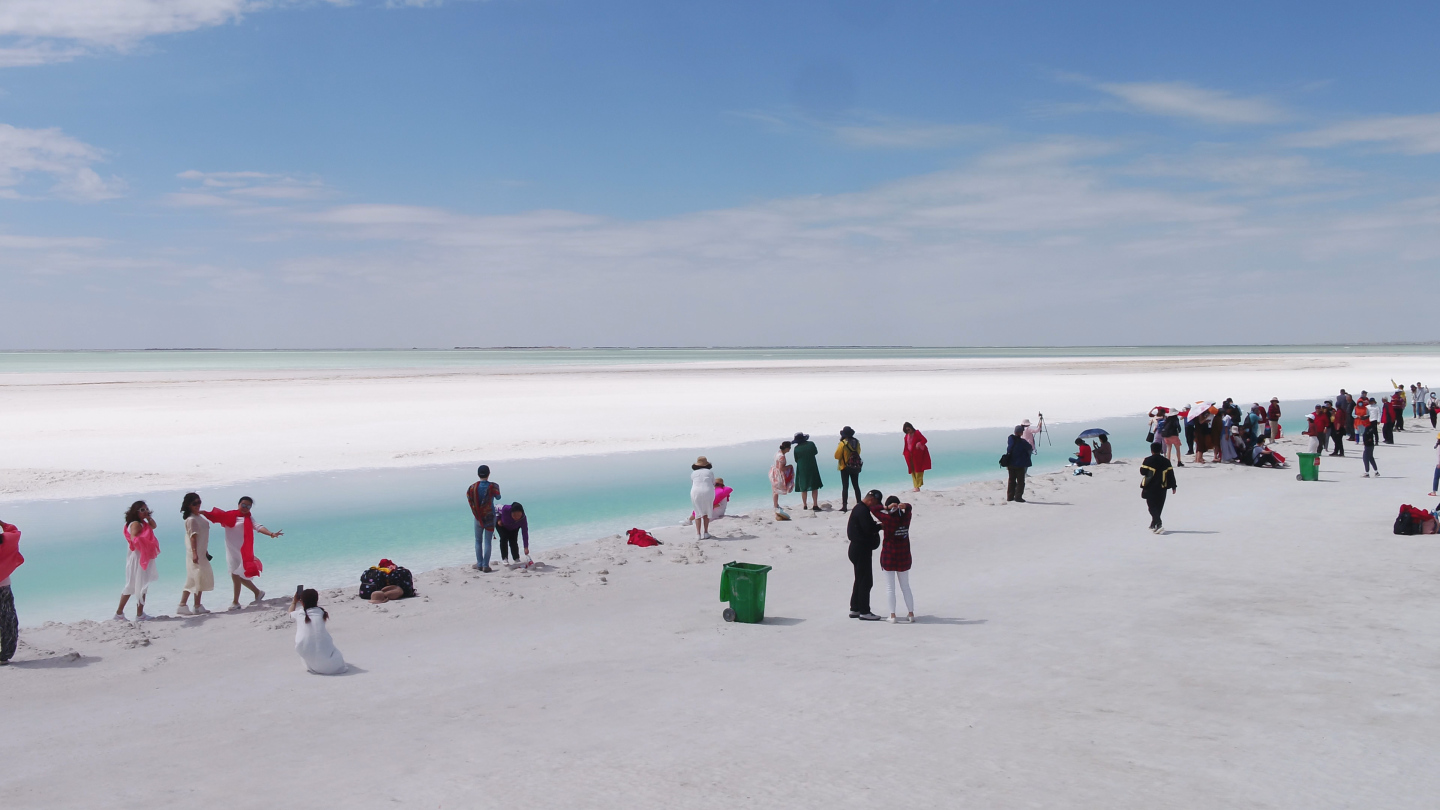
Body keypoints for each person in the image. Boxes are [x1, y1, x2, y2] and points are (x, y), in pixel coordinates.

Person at [204, 497, 280, 609]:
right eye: (243, 505)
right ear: (239, 504)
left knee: (235, 574)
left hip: (243, 551)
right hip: (231, 550)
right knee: (236, 574)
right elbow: (215, 516)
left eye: (248, 506)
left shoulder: (249, 518)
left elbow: (258, 527)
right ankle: (257, 592)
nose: (245, 508)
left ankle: (236, 602)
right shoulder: (229, 515)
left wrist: (271, 533)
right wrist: (201, 512)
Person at [115, 501, 161, 622]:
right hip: (138, 557)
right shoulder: (136, 524)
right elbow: (133, 538)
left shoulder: (143, 523)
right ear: (135, 512)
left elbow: (154, 526)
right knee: (135, 585)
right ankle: (126, 613)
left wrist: (148, 518)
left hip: (140, 556)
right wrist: (145, 544)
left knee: (140, 585)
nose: (145, 511)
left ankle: (137, 613)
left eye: (146, 509)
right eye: (142, 510)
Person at [873, 495, 914, 624]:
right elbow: (910, 508)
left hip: (889, 556)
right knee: (905, 586)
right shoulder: (906, 518)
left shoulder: (887, 519)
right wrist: (905, 506)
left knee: (890, 587)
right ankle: (911, 613)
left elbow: (874, 509)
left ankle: (892, 614)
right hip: (904, 556)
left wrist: (885, 507)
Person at [289, 588, 347, 675]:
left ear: (301, 602)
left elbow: (290, 612)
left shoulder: (300, 614)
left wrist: (294, 602)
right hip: (332, 666)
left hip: (312, 664)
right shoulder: (321, 613)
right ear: (317, 600)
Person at [846, 490, 882, 620]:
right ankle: (864, 611)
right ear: (871, 500)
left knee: (860, 579)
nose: (875, 507)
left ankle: (855, 608)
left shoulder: (859, 508)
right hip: (861, 549)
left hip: (856, 549)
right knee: (866, 581)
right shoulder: (863, 511)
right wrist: (880, 526)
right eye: (876, 504)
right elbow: (868, 529)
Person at [177, 493, 215, 615]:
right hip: (195, 552)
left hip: (201, 551)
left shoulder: (197, 517)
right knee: (194, 578)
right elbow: (193, 537)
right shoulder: (191, 519)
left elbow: (202, 538)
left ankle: (197, 605)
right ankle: (183, 605)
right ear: (188, 505)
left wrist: (206, 551)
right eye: (194, 503)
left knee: (199, 578)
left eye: (199, 502)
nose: (198, 505)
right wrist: (195, 553)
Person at [466, 465, 501, 572]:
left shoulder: (472, 487)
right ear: (489, 474)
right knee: (488, 542)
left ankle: (480, 563)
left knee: (478, 541)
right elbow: (498, 497)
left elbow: (469, 498)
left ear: (478, 474)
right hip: (490, 516)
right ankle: (486, 565)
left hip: (478, 516)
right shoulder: (493, 486)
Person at [1139, 442, 1177, 534]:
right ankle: (1154, 523)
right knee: (1159, 506)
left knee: (1151, 506)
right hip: (1162, 487)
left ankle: (1158, 523)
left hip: (1150, 487)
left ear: (1151, 450)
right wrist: (1173, 486)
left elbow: (1142, 472)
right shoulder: (1166, 461)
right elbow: (1171, 474)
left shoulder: (1148, 460)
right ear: (1160, 450)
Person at [0, 519, 22, 664]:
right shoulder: (5, 542)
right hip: (3, 587)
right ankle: (5, 655)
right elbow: (14, 531)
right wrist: (1, 523)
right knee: (8, 620)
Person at [791, 432, 824, 512]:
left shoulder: (796, 449)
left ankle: (805, 505)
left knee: (803, 486)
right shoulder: (811, 444)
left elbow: (796, 459)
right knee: (814, 486)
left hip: (802, 467)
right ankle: (815, 504)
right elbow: (815, 452)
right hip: (812, 466)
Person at [834, 427, 863, 512]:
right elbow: (859, 452)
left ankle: (844, 506)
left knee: (845, 487)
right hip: (855, 466)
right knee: (856, 485)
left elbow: (836, 456)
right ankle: (859, 503)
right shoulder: (856, 442)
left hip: (844, 467)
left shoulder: (843, 443)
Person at [496, 502, 530, 568]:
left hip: (514, 527)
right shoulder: (506, 509)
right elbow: (496, 507)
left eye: (518, 515)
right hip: (502, 525)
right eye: (514, 515)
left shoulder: (523, 519)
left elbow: (525, 533)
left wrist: (526, 547)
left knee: (513, 541)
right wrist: (498, 519)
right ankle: (505, 558)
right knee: (504, 538)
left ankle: (516, 558)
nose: (516, 517)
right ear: (511, 512)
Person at [1005, 426, 1033, 502]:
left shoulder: (1010, 439)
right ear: (1021, 433)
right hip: (1020, 464)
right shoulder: (1023, 442)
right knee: (1020, 481)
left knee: (1011, 480)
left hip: (1010, 463)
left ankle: (1010, 497)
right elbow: (1030, 447)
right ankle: (1018, 497)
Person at [690, 456, 716, 540]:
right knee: (707, 511)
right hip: (708, 491)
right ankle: (706, 532)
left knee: (697, 513)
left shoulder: (693, 473)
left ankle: (698, 534)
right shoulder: (709, 472)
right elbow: (713, 483)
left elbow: (693, 483)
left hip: (695, 492)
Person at [902, 422, 931, 492]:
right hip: (910, 455)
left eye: (909, 429)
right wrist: (905, 453)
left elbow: (924, 440)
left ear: (911, 427)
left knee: (919, 470)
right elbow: (906, 446)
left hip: (918, 455)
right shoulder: (906, 436)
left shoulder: (917, 433)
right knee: (912, 471)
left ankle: (917, 486)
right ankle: (915, 485)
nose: (908, 431)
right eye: (906, 431)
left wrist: (919, 443)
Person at [770, 441, 794, 517]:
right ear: (786, 448)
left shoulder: (778, 453)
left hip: (774, 472)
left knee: (774, 490)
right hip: (778, 474)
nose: (790, 449)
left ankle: (776, 504)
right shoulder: (781, 456)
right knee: (776, 490)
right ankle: (775, 505)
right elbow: (781, 468)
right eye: (789, 447)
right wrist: (790, 466)